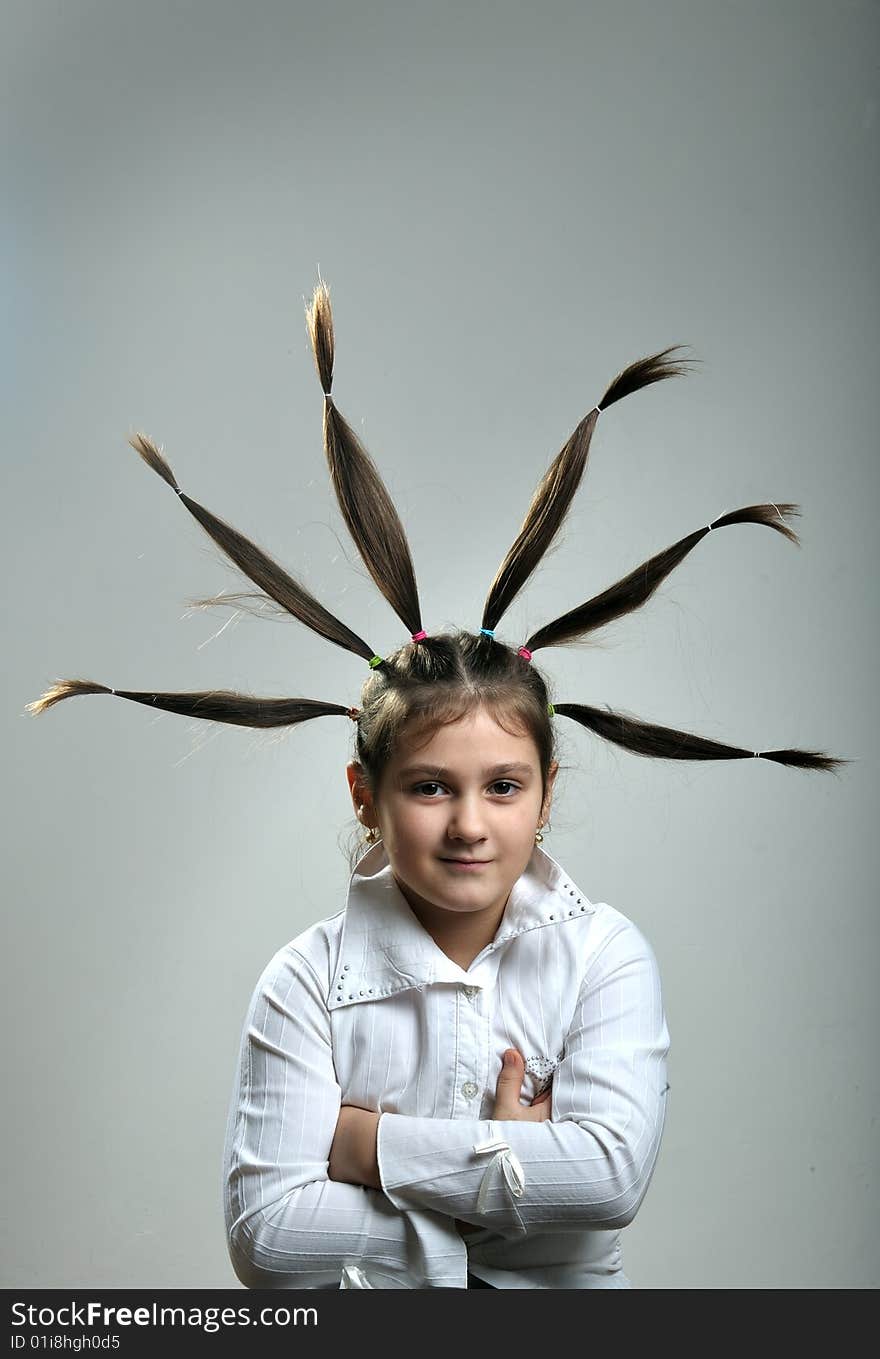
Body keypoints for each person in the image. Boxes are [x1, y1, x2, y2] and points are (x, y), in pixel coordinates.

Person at [27, 278, 847, 1288]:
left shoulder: (603, 959)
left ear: (546, 790)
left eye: (502, 787)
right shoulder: (303, 986)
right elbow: (271, 1241)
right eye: (427, 789)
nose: (469, 824)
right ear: (363, 795)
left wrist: (368, 1149)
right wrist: (497, 1194)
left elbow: (605, 1181)